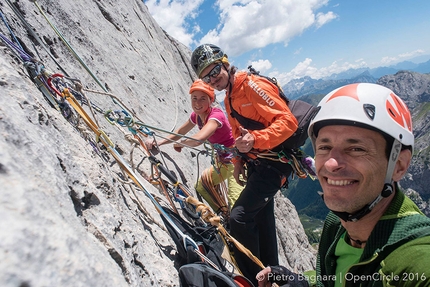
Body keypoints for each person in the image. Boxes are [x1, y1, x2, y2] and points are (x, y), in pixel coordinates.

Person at [256, 83, 430, 287]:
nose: (330, 163)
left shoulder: (418, 265)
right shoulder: (337, 226)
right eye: (324, 147)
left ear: (399, 166)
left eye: (356, 149)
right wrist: (302, 283)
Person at [191, 44, 299, 285]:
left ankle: (253, 279)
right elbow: (240, 133)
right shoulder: (229, 96)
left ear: (226, 63)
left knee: (239, 219)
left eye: (216, 69)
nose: (214, 77)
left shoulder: (251, 85)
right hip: (258, 165)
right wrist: (239, 162)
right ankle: (272, 275)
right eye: (207, 75)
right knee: (262, 220)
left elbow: (288, 122)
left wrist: (257, 140)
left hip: (274, 165)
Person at [145, 79, 243, 214]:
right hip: (223, 161)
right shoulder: (196, 116)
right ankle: (223, 216)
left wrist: (181, 144)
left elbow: (199, 139)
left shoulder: (216, 116)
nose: (197, 103)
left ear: (211, 100)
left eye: (203, 98)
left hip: (238, 161)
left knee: (236, 202)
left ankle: (236, 228)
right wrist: (160, 142)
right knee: (202, 186)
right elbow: (180, 132)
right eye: (194, 98)